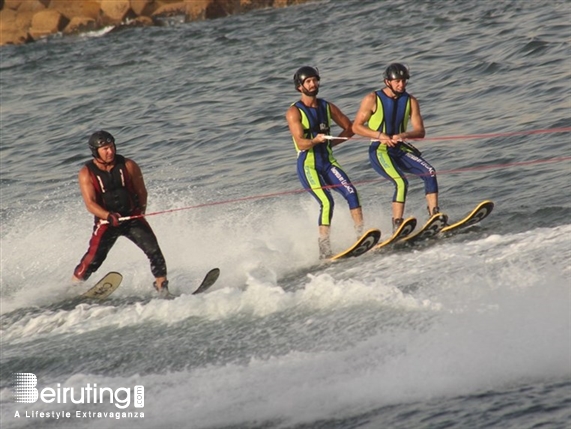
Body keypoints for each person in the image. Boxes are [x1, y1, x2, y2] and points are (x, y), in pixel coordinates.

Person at [73, 130, 169, 293]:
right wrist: (108, 216)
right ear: (96, 152)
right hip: (106, 222)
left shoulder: (129, 165)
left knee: (154, 251)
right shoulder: (86, 173)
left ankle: (162, 287)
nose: (110, 151)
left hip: (131, 218)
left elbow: (141, 192)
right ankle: (73, 288)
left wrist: (140, 213)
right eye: (105, 149)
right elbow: (90, 204)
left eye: (111, 147)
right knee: (93, 260)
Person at [285, 66, 364, 259]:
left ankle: (362, 237)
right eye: (308, 82)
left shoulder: (327, 107)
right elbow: (301, 143)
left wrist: (333, 143)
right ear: (299, 87)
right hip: (308, 165)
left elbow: (349, 127)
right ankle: (324, 249)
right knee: (327, 202)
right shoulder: (294, 112)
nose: (313, 84)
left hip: (328, 162)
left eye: (315, 80)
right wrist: (315, 141)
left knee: (352, 193)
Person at [353, 63, 440, 232]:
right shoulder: (372, 99)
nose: (401, 84)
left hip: (400, 148)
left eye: (404, 81)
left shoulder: (411, 101)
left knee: (430, 172)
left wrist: (404, 135)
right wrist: (380, 136)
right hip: (379, 150)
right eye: (397, 81)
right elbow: (356, 127)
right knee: (401, 182)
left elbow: (420, 131)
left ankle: (434, 216)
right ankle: (398, 224)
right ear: (388, 82)